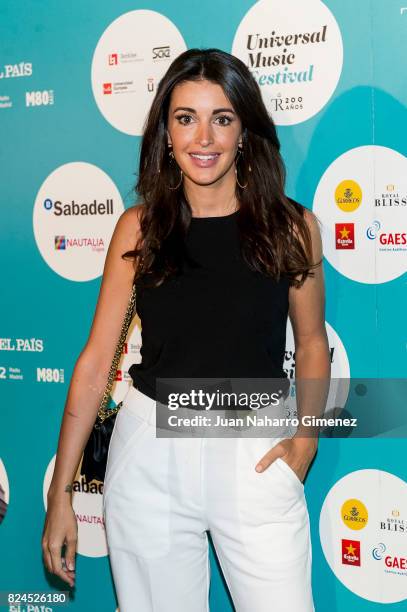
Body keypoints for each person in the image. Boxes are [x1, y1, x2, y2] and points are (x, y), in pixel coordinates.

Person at [42, 48, 330, 611]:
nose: (204, 137)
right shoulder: (139, 229)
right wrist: (62, 493)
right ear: (165, 132)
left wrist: (307, 439)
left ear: (245, 129)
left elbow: (313, 344)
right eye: (185, 117)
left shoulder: (292, 228)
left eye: (221, 118)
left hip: (255, 453)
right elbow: (97, 361)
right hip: (149, 456)